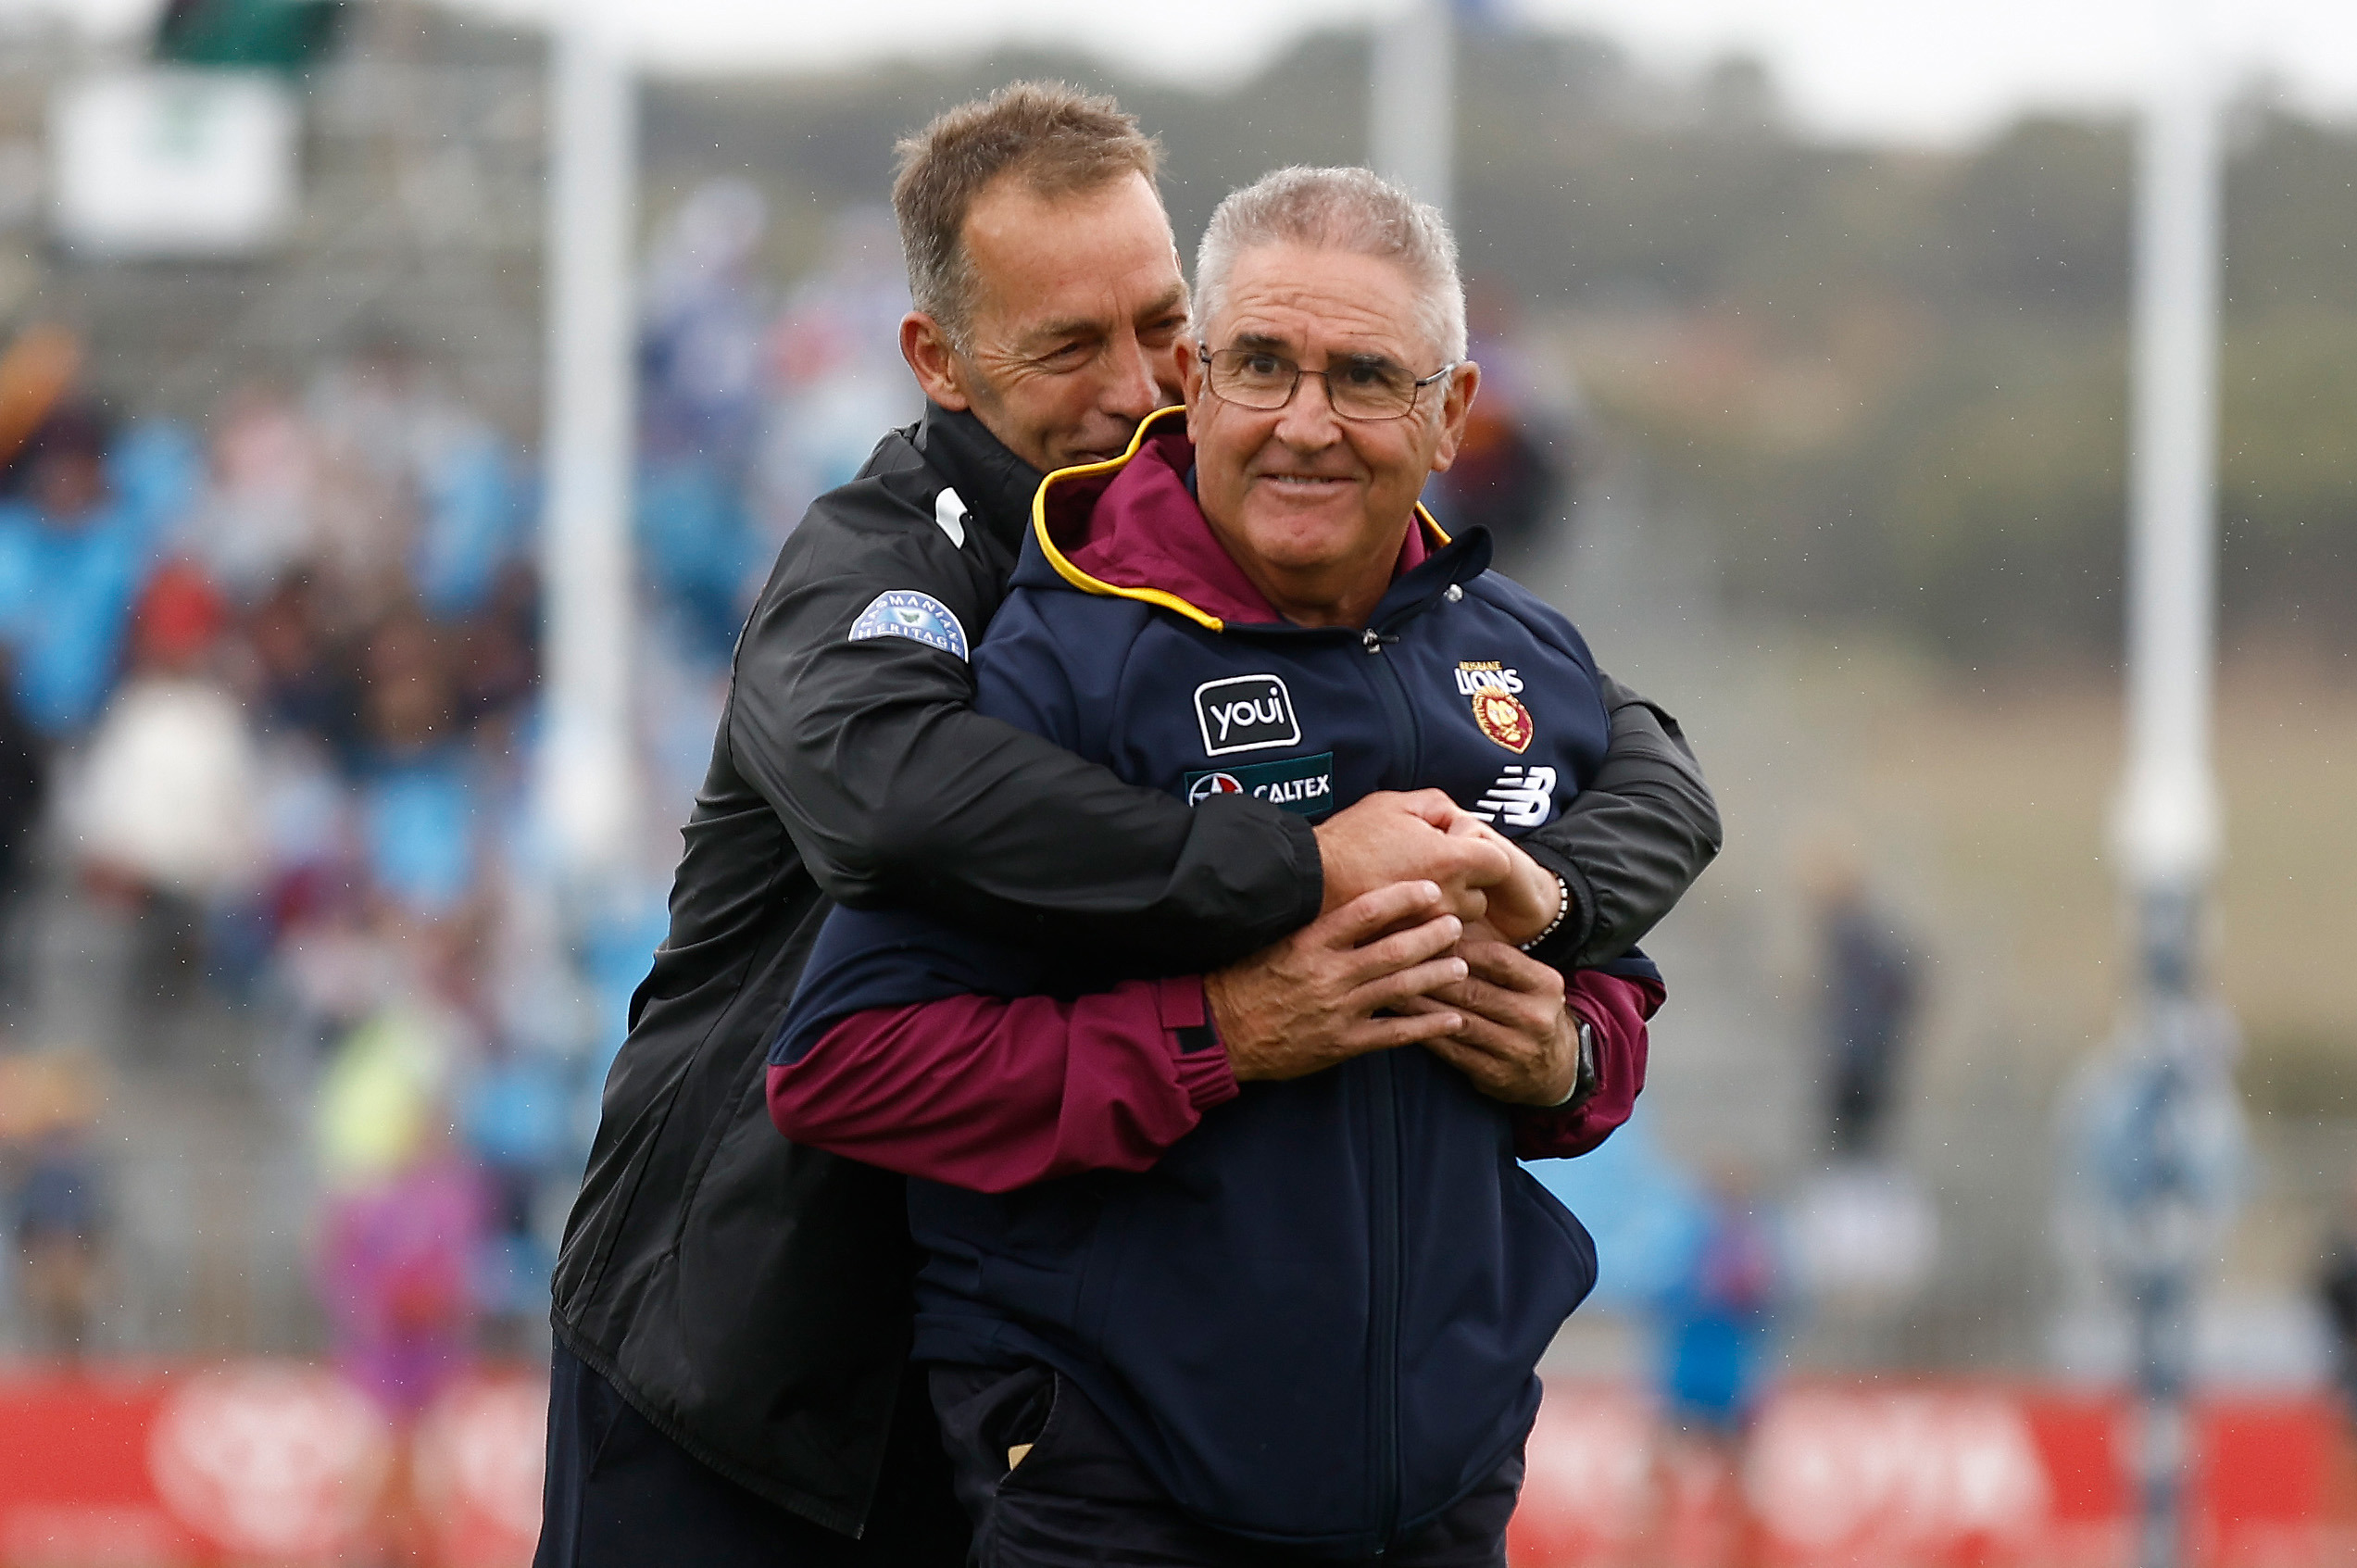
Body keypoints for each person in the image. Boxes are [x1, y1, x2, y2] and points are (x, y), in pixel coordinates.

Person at [538, 86, 1719, 1568]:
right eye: (1065, 345)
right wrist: (1289, 889)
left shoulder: (1261, 558)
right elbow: (886, 800)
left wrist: (1545, 937)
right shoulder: (890, 560)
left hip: (994, 1346)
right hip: (740, 1337)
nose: (1136, 384)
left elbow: (1639, 755)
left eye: (1162, 326)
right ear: (938, 360)